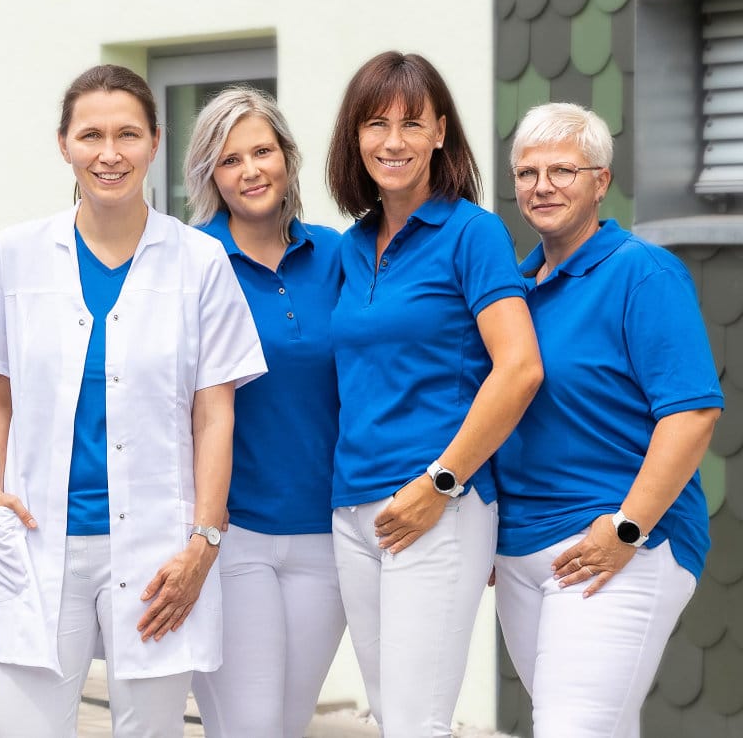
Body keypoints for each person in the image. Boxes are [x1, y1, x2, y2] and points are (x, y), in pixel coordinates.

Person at [0, 64, 267, 737]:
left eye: (128, 134)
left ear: (155, 141)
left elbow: (215, 414)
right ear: (63, 144)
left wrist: (203, 540)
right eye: (91, 135)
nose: (110, 153)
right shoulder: (17, 255)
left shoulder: (198, 261)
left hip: (158, 546)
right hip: (39, 537)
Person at [324, 51, 543, 737]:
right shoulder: (352, 245)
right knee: (391, 714)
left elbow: (520, 368)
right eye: (376, 124)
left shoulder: (471, 232)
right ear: (354, 138)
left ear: (441, 133)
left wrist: (440, 482)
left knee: (416, 721)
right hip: (352, 506)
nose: (393, 141)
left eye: (412, 123)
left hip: (434, 506)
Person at [494, 102, 721, 737]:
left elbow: (693, 414)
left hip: (618, 543)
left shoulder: (642, 275)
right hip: (520, 549)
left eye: (562, 170)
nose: (542, 186)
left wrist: (625, 529)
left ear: (601, 180)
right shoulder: (515, 289)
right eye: (527, 172)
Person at [181, 86, 346, 738]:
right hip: (229, 534)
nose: (250, 170)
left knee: (286, 723)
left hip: (327, 535)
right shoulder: (189, 260)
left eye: (262, 151)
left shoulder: (339, 254)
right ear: (210, 176)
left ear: (287, 157)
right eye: (229, 159)